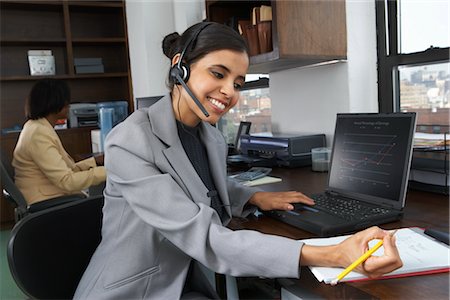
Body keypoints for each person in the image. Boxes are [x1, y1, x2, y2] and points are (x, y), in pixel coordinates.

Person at [75, 22, 402, 299]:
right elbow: (203, 235)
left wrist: (252, 196)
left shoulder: (209, 135)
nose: (229, 92)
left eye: (238, 83)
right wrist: (329, 253)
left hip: (187, 278)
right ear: (180, 66)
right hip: (137, 289)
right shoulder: (130, 141)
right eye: (218, 74)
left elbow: (194, 183)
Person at [12, 78, 106, 205]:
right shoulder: (38, 134)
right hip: (44, 202)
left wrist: (94, 161)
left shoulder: (37, 127)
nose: (69, 106)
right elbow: (66, 181)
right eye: (67, 102)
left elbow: (66, 170)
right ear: (54, 103)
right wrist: (110, 171)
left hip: (48, 194)